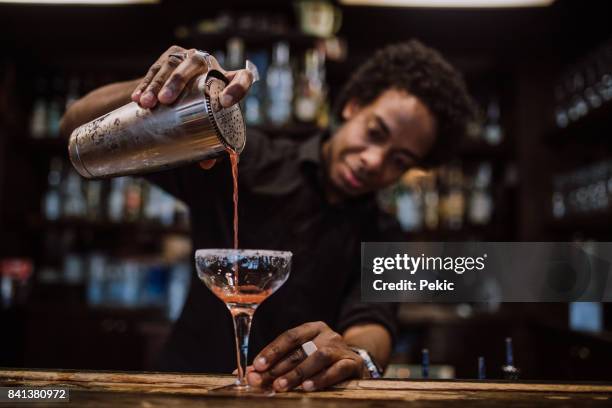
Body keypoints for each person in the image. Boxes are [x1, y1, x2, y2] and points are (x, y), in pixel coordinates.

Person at [60, 40, 476, 392]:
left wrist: (353, 354)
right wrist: (163, 94)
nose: (373, 161)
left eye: (399, 160)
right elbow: (74, 128)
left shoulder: (384, 233)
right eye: (376, 133)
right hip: (186, 388)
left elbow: (374, 324)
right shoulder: (247, 157)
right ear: (352, 105)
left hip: (292, 397)